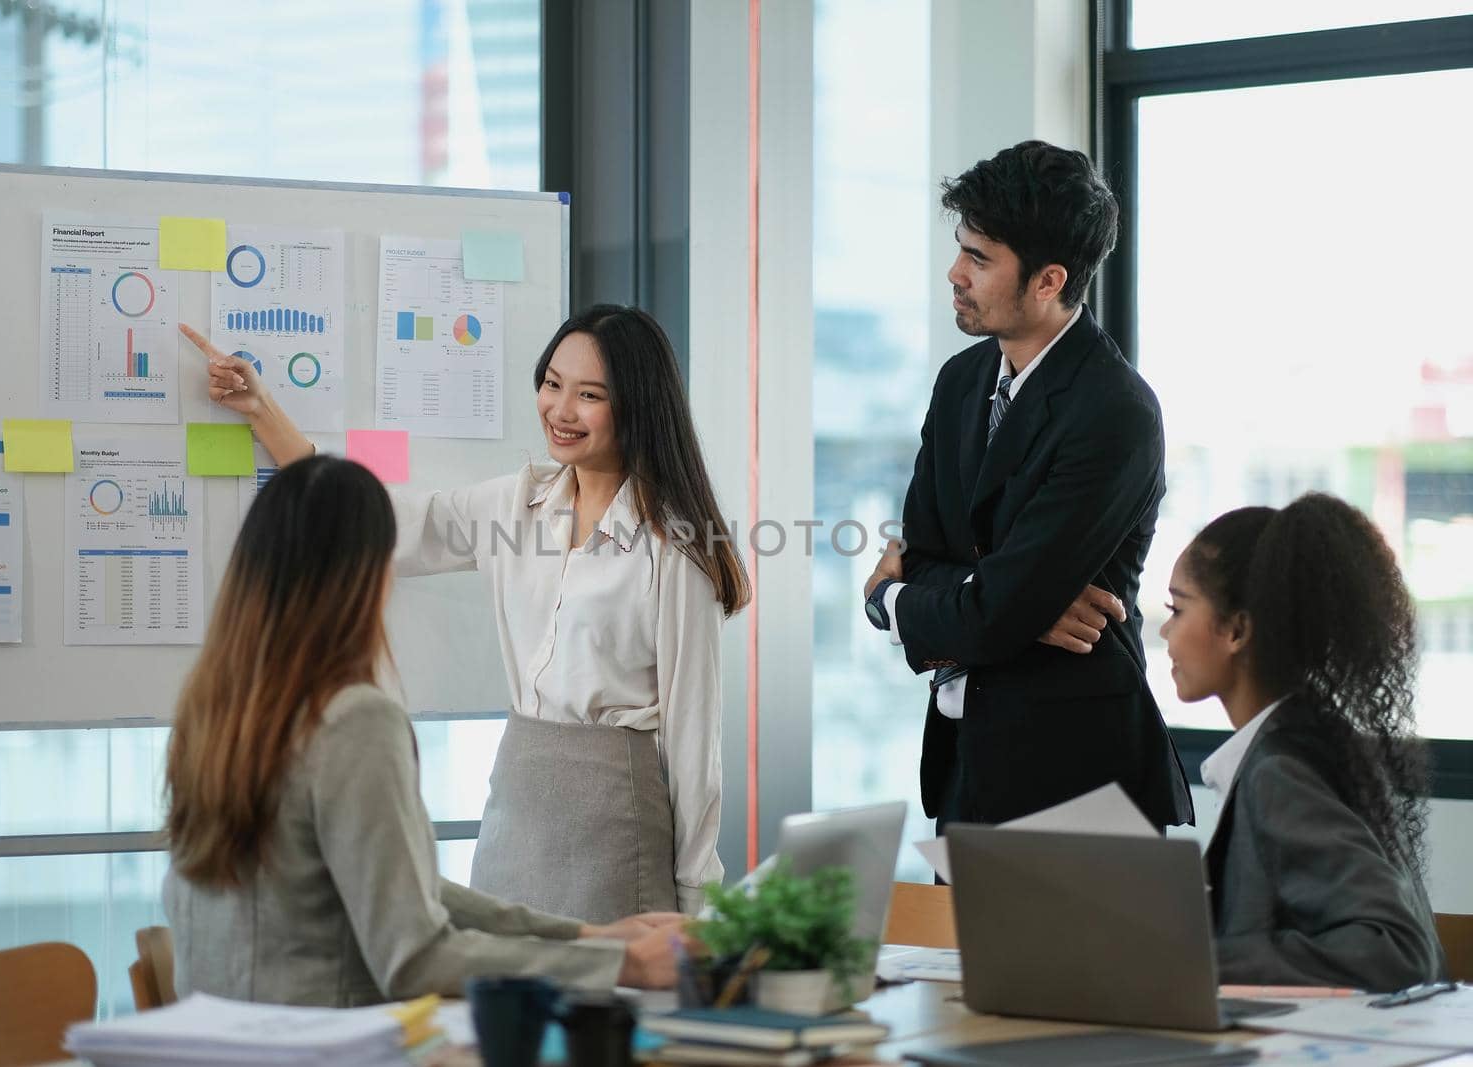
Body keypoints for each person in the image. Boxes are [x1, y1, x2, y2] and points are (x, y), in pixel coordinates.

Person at [180, 304, 747, 925]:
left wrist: (696, 899)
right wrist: (264, 413)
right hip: (516, 804)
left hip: (618, 819)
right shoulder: (513, 504)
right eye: (552, 384)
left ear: (637, 406)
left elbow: (695, 738)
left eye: (589, 395)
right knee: (496, 1002)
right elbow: (381, 522)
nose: (560, 410)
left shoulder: (675, 548)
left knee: (605, 1009)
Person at [163, 454, 685, 1006]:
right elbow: (416, 960)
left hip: (219, 1038)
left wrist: (587, 934)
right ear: (362, 578)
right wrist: (621, 964)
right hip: (320, 1040)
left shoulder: (211, 713)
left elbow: (394, 885)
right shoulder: (352, 722)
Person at [862, 140, 1192, 835]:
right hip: (966, 768)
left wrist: (889, 599)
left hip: (1078, 783)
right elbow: (928, 556)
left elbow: (961, 598)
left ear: (1048, 280)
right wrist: (1003, 602)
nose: (955, 273)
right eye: (961, 249)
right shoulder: (960, 381)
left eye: (980, 259)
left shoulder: (1115, 412)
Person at [1160, 494, 1446, 991]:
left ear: (1237, 629)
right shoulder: (1314, 739)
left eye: (1177, 608)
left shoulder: (1279, 770)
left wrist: (1196, 960)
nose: (1165, 631)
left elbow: (1397, 951)